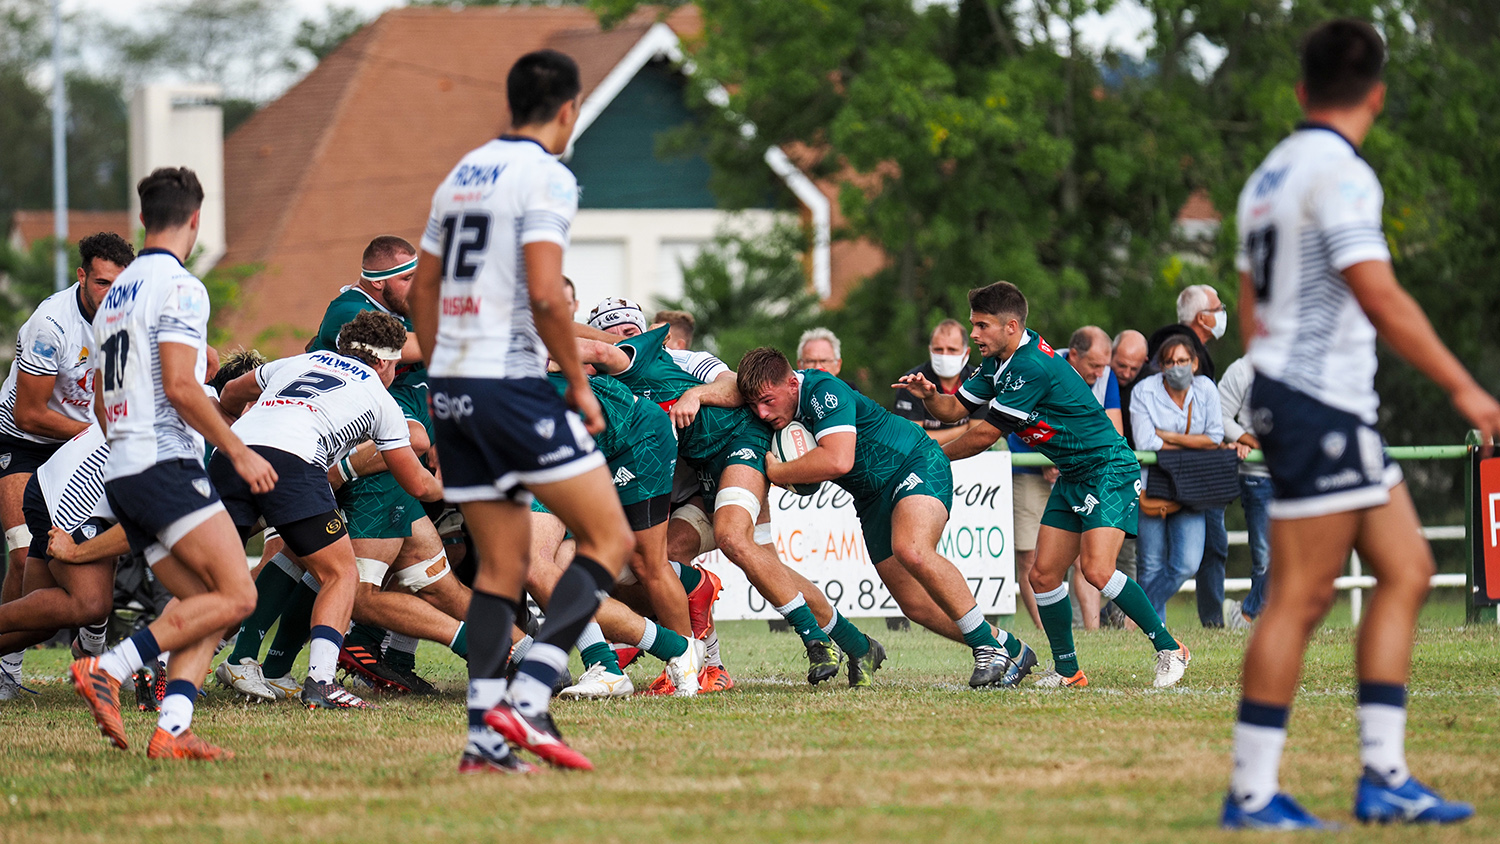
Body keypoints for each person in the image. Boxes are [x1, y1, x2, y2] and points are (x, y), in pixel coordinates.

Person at [1221, 19, 1499, 828]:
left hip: (1316, 402)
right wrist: (1465, 389)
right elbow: (1376, 290)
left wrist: (1275, 384)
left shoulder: (1267, 174)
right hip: (1321, 406)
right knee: (1299, 601)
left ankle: (1383, 775)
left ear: (1302, 90)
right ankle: (1252, 793)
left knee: (1408, 569)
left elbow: (1250, 306)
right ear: (1376, 94)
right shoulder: (1341, 172)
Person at [410, 49, 636, 774]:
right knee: (608, 541)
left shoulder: (460, 174)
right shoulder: (547, 177)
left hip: (451, 391)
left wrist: (443, 380)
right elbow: (546, 295)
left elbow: (421, 292)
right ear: (567, 109)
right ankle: (532, 694)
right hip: (510, 386)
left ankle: (483, 739)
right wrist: (574, 381)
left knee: (502, 569)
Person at [72, 167, 276, 761]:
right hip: (164, 464)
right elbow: (186, 389)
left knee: (204, 602)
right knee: (239, 596)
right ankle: (108, 667)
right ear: (195, 219)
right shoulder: (181, 286)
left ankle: (174, 728)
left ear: (142, 220)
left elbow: (101, 406)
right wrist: (238, 450)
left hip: (124, 467)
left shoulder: (113, 299)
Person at [898, 281, 1190, 689]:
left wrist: (933, 456)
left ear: (1011, 326)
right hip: (1074, 474)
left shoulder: (1028, 366)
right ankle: (1069, 671)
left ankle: (1170, 647)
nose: (975, 334)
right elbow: (954, 410)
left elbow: (983, 435)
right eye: (973, 325)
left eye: (982, 326)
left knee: (1097, 570)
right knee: (1044, 577)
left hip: (1107, 469)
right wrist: (928, 396)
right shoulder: (997, 362)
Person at [579, 308, 878, 688]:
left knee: (725, 541)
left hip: (739, 446)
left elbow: (739, 387)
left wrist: (696, 394)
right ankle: (856, 644)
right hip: (702, 481)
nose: (624, 338)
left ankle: (810, 640)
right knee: (753, 568)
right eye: (614, 332)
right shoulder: (604, 391)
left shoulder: (659, 359)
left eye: (631, 330)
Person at [742, 348, 1037, 688]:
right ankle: (1011, 647)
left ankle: (987, 649)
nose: (762, 413)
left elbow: (838, 461)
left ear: (793, 383)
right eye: (754, 406)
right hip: (871, 498)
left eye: (767, 401)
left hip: (913, 461)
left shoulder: (823, 391)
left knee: (912, 549)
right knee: (916, 606)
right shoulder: (778, 410)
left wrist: (780, 472)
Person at [212, 310, 445, 710]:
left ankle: (154, 667)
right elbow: (418, 484)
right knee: (341, 572)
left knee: (213, 577)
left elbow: (231, 391)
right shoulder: (379, 396)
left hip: (230, 454)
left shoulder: (296, 362)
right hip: (293, 463)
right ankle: (320, 683)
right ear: (387, 362)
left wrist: (238, 428)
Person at [0, 232, 133, 696]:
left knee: (96, 543)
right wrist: (95, 435)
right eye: (100, 282)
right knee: (22, 555)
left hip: (83, 445)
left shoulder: (128, 318)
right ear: (81, 276)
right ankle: (9, 671)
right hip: (25, 442)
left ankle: (92, 632)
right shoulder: (51, 324)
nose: (110, 293)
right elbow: (29, 413)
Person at [1148, 285, 1230, 628]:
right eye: (1218, 306)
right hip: (1194, 472)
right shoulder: (1188, 351)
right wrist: (1206, 442)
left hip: (1174, 467)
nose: (1223, 312)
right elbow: (1209, 433)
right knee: (1208, 550)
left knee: (1178, 559)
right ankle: (1211, 619)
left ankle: (1130, 609)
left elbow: (1213, 430)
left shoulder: (1164, 344)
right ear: (1202, 317)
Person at [1128, 337, 1227, 619]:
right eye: (1170, 362)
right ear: (1160, 366)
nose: (1176, 367)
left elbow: (1215, 437)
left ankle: (1130, 614)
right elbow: (1147, 442)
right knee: (1150, 564)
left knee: (1186, 564)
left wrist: (1169, 436)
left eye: (1183, 361)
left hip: (1192, 488)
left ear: (1194, 363)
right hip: (1152, 485)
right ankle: (1154, 631)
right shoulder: (1144, 391)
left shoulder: (1206, 388)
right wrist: (1195, 444)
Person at [1218, 357, 1269, 630]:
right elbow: (1220, 415)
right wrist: (1248, 439)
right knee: (1264, 555)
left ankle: (1248, 614)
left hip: (1299, 474)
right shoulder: (1242, 369)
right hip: (1259, 475)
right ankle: (1250, 617)